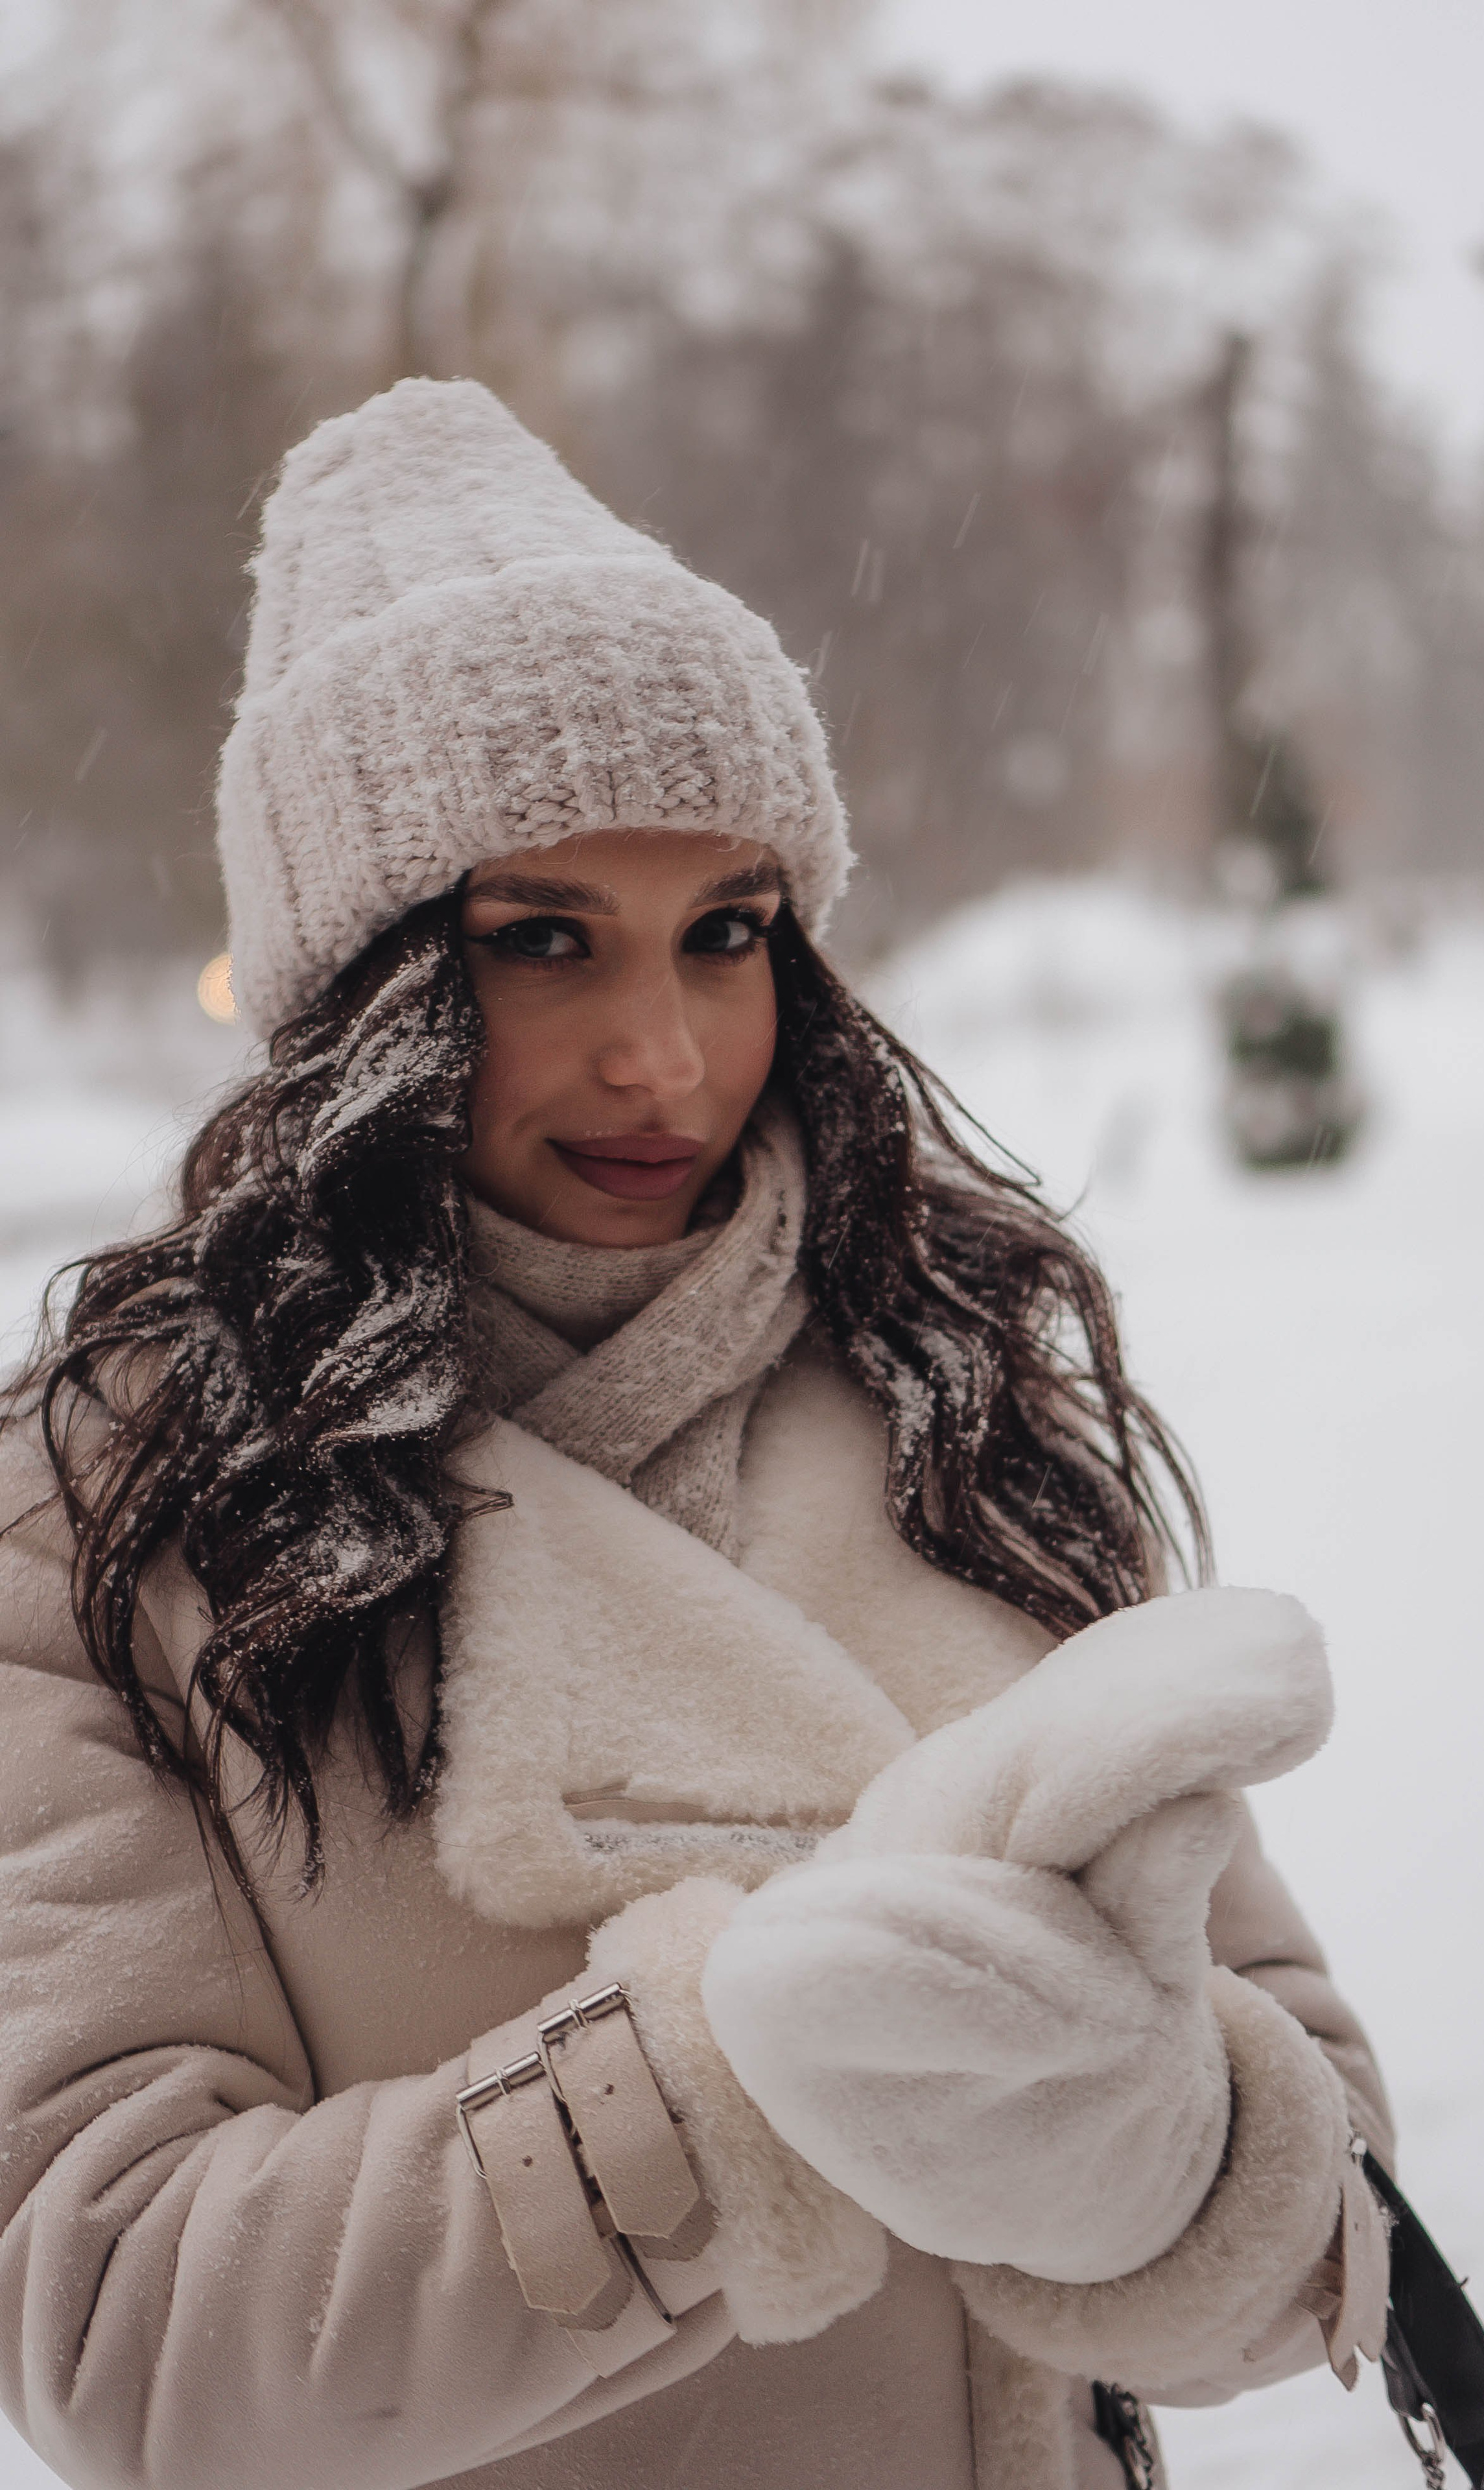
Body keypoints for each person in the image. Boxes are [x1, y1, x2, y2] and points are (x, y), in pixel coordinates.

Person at [0, 379, 1393, 2490]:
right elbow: (122, 2329)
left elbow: (1337, 2231)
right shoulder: (103, 1513)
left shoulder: (955, 1410)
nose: (664, 1058)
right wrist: (726, 2089)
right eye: (542, 943)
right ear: (363, 992)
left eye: (726, 934)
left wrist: (1156, 2150)